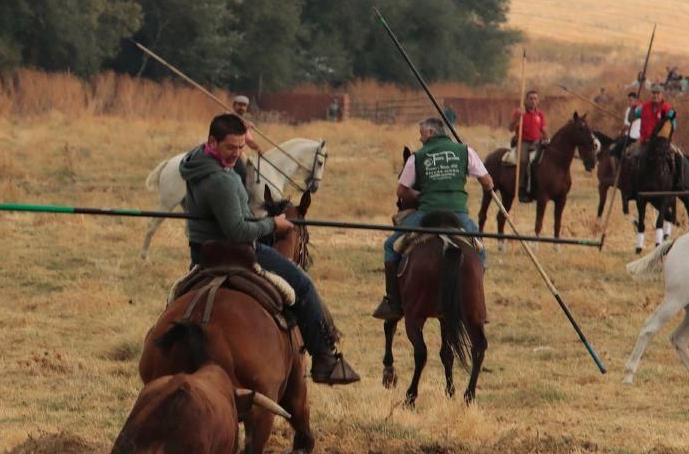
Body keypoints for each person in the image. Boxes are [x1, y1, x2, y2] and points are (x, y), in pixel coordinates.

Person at [180, 113, 360, 384]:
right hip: (236, 251)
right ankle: (324, 358)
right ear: (212, 142)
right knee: (303, 286)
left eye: (241, 147)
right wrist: (272, 224)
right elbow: (238, 231)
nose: (237, 154)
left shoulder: (195, 161)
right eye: (231, 148)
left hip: (201, 251)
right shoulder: (222, 181)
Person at [372, 117, 494, 320]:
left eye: (421, 134)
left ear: (430, 133)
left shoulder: (417, 157)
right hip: (458, 215)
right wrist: (488, 187)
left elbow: (401, 191)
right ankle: (477, 301)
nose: (419, 139)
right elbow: (487, 182)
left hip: (427, 214)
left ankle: (393, 302)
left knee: (390, 246)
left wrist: (419, 196)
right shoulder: (466, 151)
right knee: (480, 250)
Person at [508, 90, 549, 201]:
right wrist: (518, 117)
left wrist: (547, 139)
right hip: (523, 141)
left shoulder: (540, 114)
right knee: (523, 161)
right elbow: (510, 128)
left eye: (535, 98)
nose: (533, 101)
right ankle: (521, 189)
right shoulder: (518, 112)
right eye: (531, 98)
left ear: (538, 101)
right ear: (526, 100)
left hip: (537, 142)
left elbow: (543, 129)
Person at [231, 95, 262, 187]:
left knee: (251, 167)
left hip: (239, 152)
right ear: (234, 106)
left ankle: (249, 191)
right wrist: (243, 127)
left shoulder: (243, 121)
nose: (242, 108)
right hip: (229, 152)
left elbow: (248, 140)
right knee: (243, 172)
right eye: (239, 105)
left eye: (244, 105)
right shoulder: (227, 117)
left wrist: (258, 148)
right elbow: (230, 134)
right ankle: (242, 194)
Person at [610, 91, 640, 160]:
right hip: (637, 137)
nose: (629, 102)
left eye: (631, 100)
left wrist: (620, 133)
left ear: (636, 101)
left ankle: (616, 169)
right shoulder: (640, 109)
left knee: (613, 152)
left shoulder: (630, 110)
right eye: (628, 100)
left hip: (631, 137)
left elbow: (626, 126)